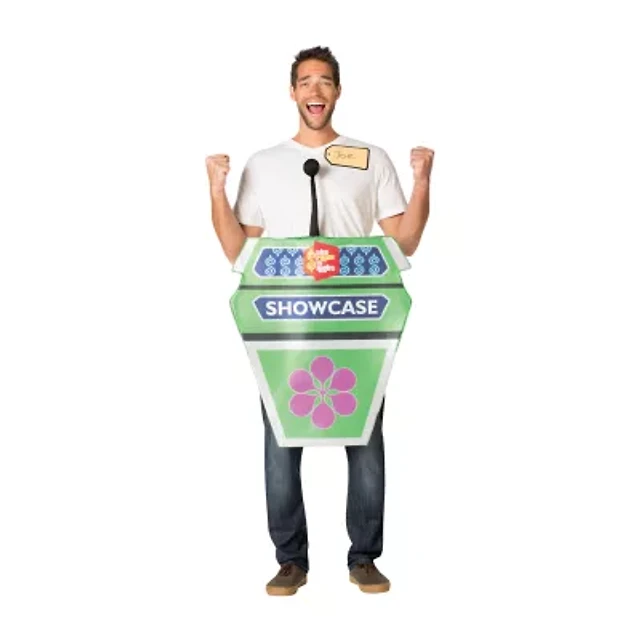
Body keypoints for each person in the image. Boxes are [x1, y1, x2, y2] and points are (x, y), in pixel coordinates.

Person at [205, 46, 434, 595]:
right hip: (286, 322)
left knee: (366, 438)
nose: (315, 90)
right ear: (292, 92)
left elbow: (403, 242)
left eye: (325, 81)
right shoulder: (264, 163)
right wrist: (215, 189)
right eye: (305, 81)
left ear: (337, 91)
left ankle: (364, 558)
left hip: (355, 318)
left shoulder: (369, 158)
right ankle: (291, 561)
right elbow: (239, 251)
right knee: (281, 440)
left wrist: (423, 179)